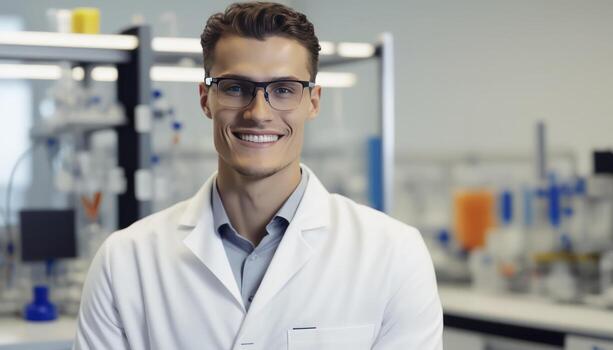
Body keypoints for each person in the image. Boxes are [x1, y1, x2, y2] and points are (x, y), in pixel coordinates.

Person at [73, 2, 443, 349]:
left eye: (284, 90)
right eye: (236, 88)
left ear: (312, 102)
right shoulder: (124, 262)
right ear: (205, 99)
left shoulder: (393, 254)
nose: (259, 113)